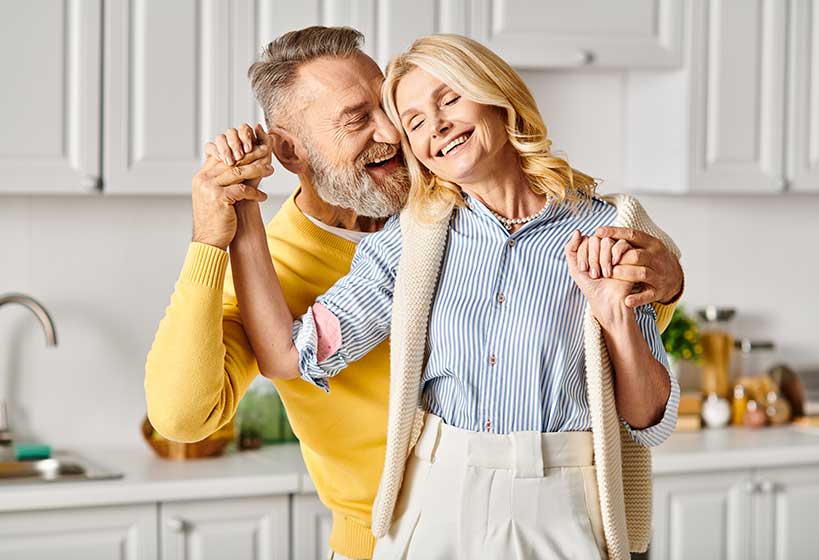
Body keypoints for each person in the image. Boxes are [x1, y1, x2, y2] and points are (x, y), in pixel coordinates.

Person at [145, 27, 684, 560]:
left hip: (559, 496)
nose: (395, 132)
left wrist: (657, 285)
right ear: (290, 150)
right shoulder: (383, 244)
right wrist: (227, 223)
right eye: (362, 119)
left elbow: (619, 369)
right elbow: (211, 400)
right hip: (409, 519)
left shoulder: (577, 223)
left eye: (394, 110)